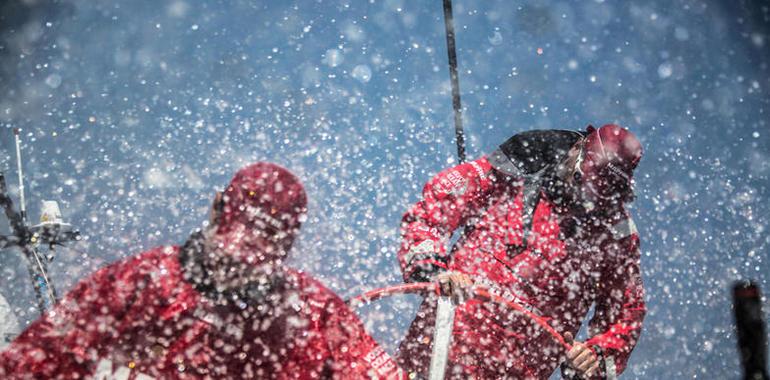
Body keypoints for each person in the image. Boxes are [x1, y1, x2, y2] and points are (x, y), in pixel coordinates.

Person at [1, 162, 404, 379]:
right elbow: (28, 363)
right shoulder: (133, 287)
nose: (235, 273)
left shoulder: (315, 313)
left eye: (257, 253)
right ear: (215, 209)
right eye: (228, 259)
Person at [395, 125, 646, 379]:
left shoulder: (616, 236)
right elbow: (433, 209)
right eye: (584, 182)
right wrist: (433, 269)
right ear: (577, 151)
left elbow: (627, 311)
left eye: (599, 194)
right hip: (435, 350)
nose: (585, 197)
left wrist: (596, 358)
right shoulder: (512, 170)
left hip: (517, 370)